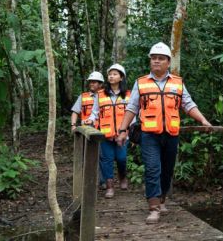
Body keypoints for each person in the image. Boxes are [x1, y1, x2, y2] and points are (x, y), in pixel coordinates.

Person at [116, 42, 211, 224]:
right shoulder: (141, 83)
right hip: (149, 134)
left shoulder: (177, 83)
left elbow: (188, 105)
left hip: (171, 134)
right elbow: (132, 108)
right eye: (153, 58)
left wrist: (203, 120)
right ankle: (153, 208)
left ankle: (162, 199)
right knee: (152, 168)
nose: (156, 62)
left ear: (168, 62)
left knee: (167, 171)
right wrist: (122, 130)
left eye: (161, 59)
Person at [85, 64, 132, 198]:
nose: (111, 76)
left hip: (123, 135)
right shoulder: (100, 94)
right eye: (110, 74)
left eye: (115, 74)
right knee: (107, 160)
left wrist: (128, 130)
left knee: (122, 159)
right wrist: (90, 120)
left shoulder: (128, 95)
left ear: (121, 77)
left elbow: (132, 114)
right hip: (105, 135)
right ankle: (110, 187)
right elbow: (95, 113)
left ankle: (123, 177)